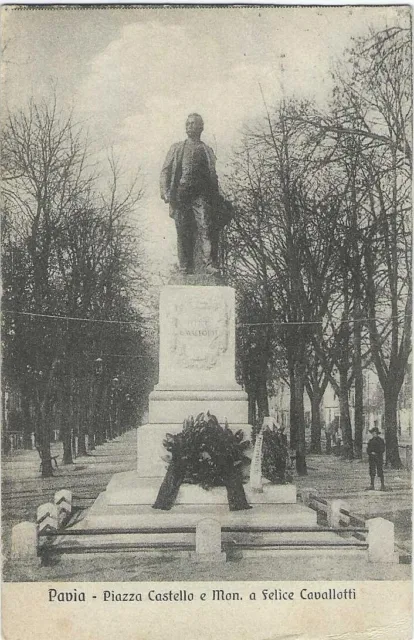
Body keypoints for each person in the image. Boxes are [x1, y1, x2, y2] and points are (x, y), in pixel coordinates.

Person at [160, 113, 229, 275]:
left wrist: (217, 197)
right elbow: (166, 170)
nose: (189, 126)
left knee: (206, 227)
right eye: (187, 123)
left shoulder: (206, 150)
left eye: (193, 124)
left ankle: (209, 264)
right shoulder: (177, 148)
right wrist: (165, 192)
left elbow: (213, 175)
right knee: (183, 230)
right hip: (181, 194)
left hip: (202, 195)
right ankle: (184, 267)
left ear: (201, 127)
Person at [366, 426, 386, 491]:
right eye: (372, 433)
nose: (373, 434)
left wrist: (377, 452)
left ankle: (382, 485)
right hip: (371, 458)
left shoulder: (381, 440)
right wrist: (370, 452)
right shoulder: (370, 441)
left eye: (375, 433)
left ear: (377, 433)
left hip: (379, 458)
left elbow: (382, 449)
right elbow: (368, 449)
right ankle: (372, 485)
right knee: (372, 471)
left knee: (380, 471)